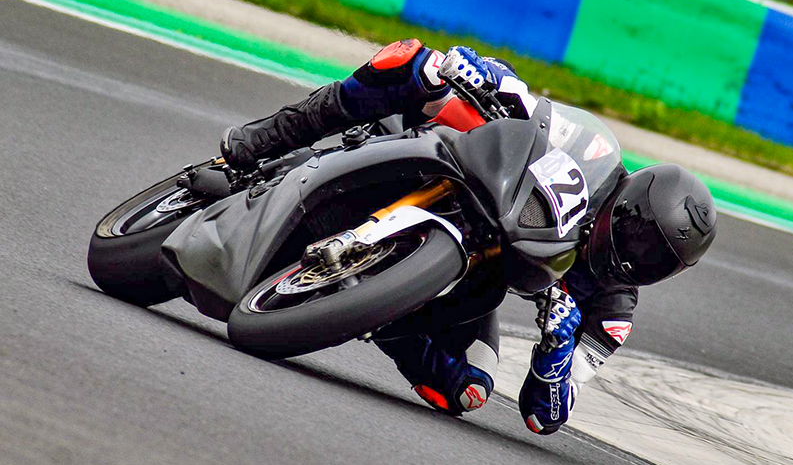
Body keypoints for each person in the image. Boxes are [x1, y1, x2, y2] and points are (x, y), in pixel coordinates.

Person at [221, 39, 717, 435]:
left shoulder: (612, 310)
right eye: (640, 240)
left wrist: (556, 350)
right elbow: (531, 106)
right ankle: (270, 136)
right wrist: (489, 74)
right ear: (628, 204)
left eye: (657, 263)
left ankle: (366, 310)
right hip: (466, 168)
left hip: (478, 266)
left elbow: (546, 415)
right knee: (421, 67)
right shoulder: (593, 154)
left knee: (469, 389)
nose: (636, 260)